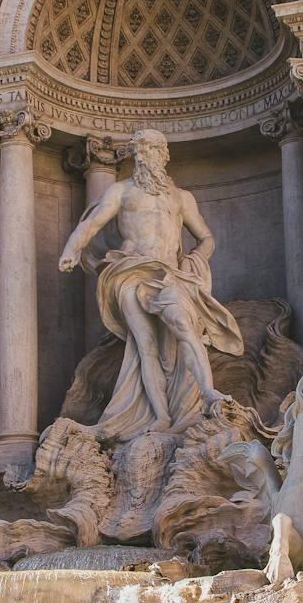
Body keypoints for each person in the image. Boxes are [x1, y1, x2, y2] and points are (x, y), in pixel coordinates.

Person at [57, 129, 243, 441]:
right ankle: (161, 415)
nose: (145, 157)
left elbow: (206, 237)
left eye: (152, 150)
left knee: (184, 324)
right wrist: (71, 249)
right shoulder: (122, 191)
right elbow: (91, 223)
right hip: (130, 271)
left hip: (169, 273)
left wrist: (195, 257)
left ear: (163, 155)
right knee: (145, 345)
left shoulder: (182, 198)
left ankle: (207, 391)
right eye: (141, 152)